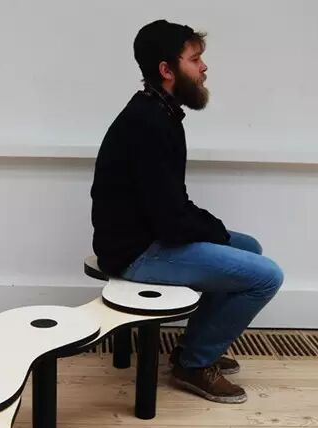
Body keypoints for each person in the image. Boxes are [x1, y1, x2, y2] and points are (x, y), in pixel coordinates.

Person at [90, 19, 284, 404]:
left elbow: (170, 207)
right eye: (195, 60)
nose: (204, 67)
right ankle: (195, 364)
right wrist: (216, 232)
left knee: (251, 248)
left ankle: (192, 348)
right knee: (267, 277)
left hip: (151, 235)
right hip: (136, 252)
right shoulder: (149, 123)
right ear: (167, 70)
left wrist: (217, 233)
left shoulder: (159, 112)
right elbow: (171, 220)